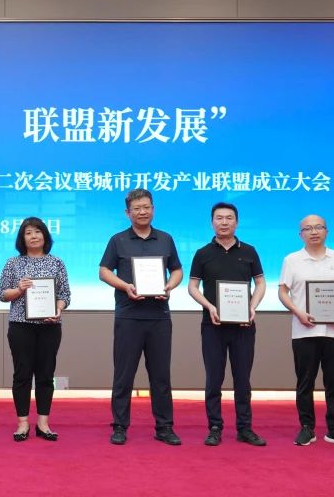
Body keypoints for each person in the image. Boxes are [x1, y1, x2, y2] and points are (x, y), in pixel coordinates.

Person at [99, 189, 184, 445]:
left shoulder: (166, 239)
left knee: (161, 376)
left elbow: (177, 270)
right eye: (137, 208)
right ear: (128, 213)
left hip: (159, 317)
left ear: (153, 209)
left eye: (146, 207)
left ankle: (164, 427)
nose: (142, 212)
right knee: (123, 375)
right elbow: (104, 271)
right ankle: (120, 426)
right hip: (129, 316)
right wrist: (125, 286)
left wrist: (169, 286)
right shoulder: (118, 240)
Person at [186, 202, 267, 446]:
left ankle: (245, 428)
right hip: (213, 325)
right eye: (219, 218)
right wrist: (209, 306)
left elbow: (260, 283)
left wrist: (252, 306)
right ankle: (214, 427)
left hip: (243, 326)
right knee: (214, 379)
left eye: (229, 218)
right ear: (212, 222)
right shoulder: (202, 253)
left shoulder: (249, 251)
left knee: (243, 380)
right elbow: (192, 287)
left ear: (237, 222)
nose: (224, 222)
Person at [277, 214, 334, 448]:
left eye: (319, 227)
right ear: (300, 234)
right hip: (304, 330)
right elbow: (283, 291)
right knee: (305, 382)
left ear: (326, 231)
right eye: (308, 228)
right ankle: (307, 427)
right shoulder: (292, 260)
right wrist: (297, 312)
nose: (314, 232)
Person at [0, 217, 70, 442]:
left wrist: (58, 309)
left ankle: (43, 423)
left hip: (49, 326)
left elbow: (65, 295)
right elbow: (2, 294)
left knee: (46, 375)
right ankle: (22, 423)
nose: (34, 236)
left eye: (38, 231)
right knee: (22, 374)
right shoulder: (13, 263)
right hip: (21, 326)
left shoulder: (57, 263)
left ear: (45, 236)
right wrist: (19, 289)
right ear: (22, 238)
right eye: (28, 233)